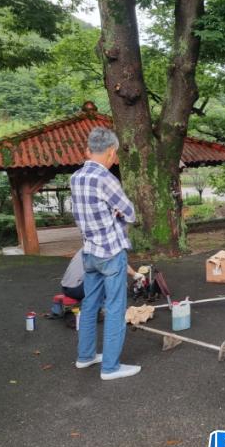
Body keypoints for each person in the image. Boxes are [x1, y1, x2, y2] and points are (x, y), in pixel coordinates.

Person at [70, 126, 141, 381]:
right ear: (111, 151)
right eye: (115, 154)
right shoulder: (106, 179)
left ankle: (85, 356)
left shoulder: (76, 177)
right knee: (114, 308)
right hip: (110, 252)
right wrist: (118, 212)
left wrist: (111, 212)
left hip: (89, 251)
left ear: (89, 149)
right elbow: (130, 213)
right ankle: (111, 367)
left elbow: (85, 211)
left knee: (89, 304)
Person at [60, 247, 144, 303]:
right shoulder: (103, 249)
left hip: (65, 287)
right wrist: (134, 274)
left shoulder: (88, 246)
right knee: (114, 281)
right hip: (77, 289)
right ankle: (105, 306)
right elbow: (120, 264)